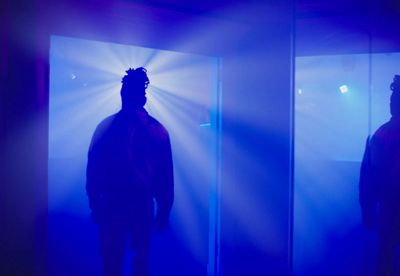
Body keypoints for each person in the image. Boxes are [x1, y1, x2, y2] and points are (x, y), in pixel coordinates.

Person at [86, 67, 174, 276]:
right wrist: (164, 209)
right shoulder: (157, 130)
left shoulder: (106, 127)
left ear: (124, 93)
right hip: (134, 203)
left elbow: (93, 169)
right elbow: (165, 175)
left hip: (116, 203)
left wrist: (95, 203)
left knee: (115, 263)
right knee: (134, 263)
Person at [360, 75, 400, 276]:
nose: (391, 100)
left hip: (389, 209)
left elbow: (368, 179)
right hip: (389, 209)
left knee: (386, 259)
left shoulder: (381, 135)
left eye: (395, 97)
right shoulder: (380, 135)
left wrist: (368, 210)